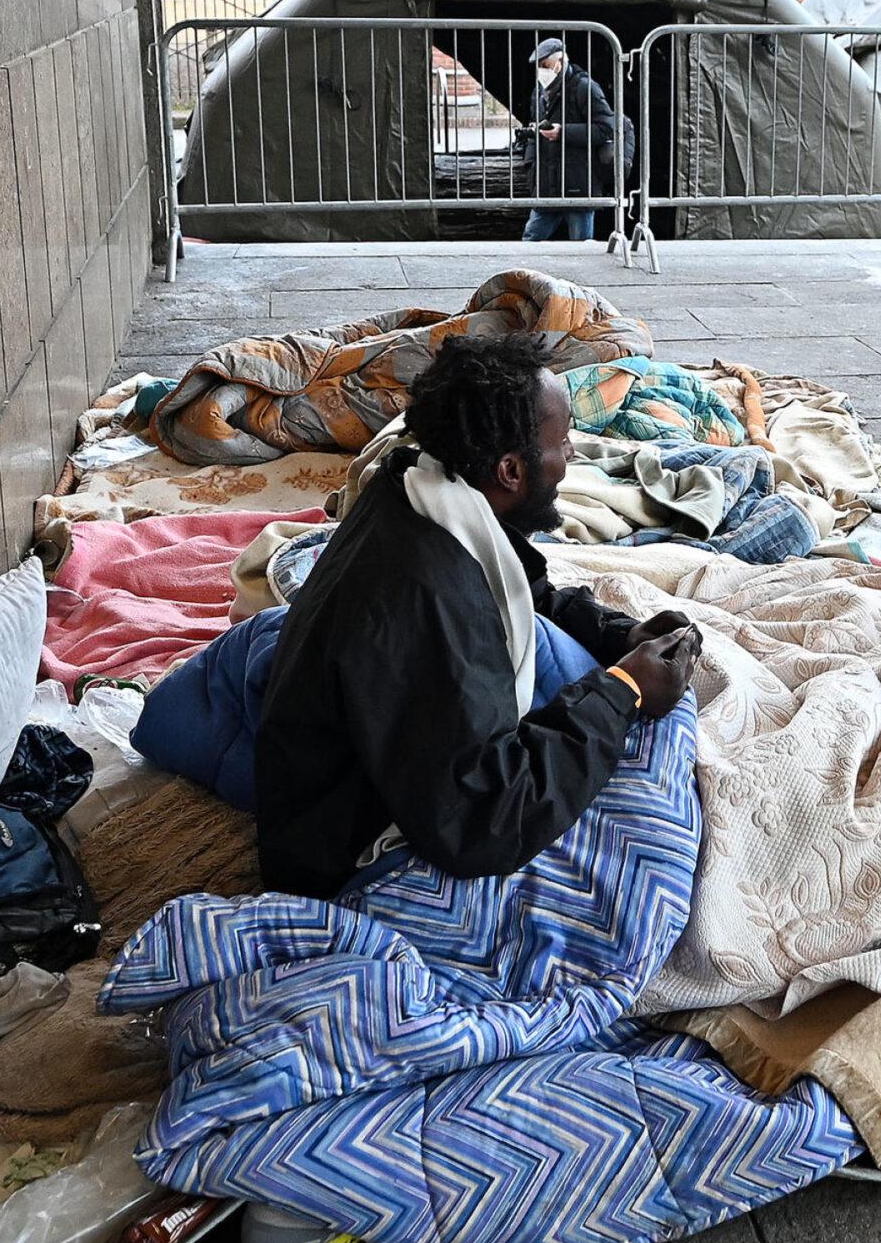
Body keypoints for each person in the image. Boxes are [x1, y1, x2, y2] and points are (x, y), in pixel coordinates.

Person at [253, 332, 703, 898]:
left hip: (373, 761)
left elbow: (525, 589)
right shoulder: (431, 604)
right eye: (561, 443)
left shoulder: (420, 484)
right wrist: (624, 693)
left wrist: (620, 635)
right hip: (343, 853)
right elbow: (485, 821)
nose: (572, 457)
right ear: (512, 471)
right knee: (648, 819)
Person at [521, 38, 616, 242]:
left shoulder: (585, 87)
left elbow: (606, 129)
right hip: (547, 185)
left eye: (545, 66)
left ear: (561, 61)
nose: (541, 72)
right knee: (530, 241)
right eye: (538, 67)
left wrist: (563, 132)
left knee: (580, 246)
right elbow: (534, 125)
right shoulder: (539, 93)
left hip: (578, 184)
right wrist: (530, 168)